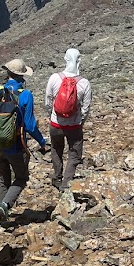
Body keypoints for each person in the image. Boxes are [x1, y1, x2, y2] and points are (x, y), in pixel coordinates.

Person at [0, 58, 48, 222]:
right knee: (21, 177)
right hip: (16, 146)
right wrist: (42, 142)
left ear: (8, 73)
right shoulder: (25, 95)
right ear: (22, 76)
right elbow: (30, 125)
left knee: (4, 179)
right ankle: (5, 205)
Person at [45, 48, 92, 191]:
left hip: (56, 123)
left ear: (65, 59)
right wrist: (81, 121)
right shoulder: (84, 83)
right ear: (79, 61)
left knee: (56, 149)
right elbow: (86, 108)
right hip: (74, 125)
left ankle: (57, 177)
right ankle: (67, 182)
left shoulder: (54, 78)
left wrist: (52, 115)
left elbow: (48, 101)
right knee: (74, 153)